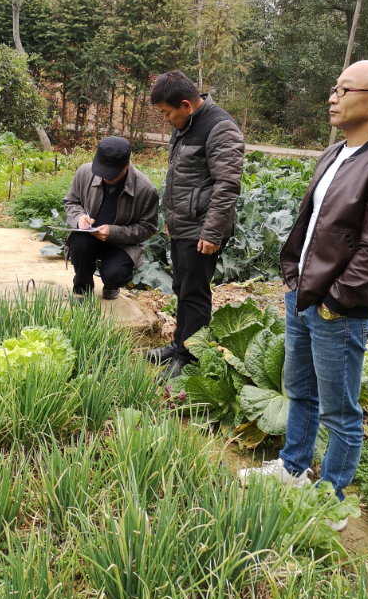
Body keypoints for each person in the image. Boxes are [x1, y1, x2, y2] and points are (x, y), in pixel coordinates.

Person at [240, 60, 368, 531]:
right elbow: (311, 224)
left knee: (340, 410)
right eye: (334, 88)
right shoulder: (334, 153)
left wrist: (335, 301)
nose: (332, 97)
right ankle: (293, 468)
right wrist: (292, 276)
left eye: (344, 89)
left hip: (341, 309)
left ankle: (330, 498)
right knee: (300, 392)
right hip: (303, 295)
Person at [147, 71, 245, 378]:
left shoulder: (220, 127)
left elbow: (227, 184)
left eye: (167, 113)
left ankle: (189, 357)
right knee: (182, 287)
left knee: (194, 292)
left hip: (203, 228)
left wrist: (212, 232)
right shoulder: (185, 125)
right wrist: (171, 217)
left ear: (186, 105)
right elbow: (181, 177)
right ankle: (179, 344)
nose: (166, 119)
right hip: (183, 224)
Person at [63, 136, 159, 303]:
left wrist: (114, 232)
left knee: (116, 275)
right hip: (89, 237)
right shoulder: (84, 173)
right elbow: (71, 202)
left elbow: (148, 228)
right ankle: (82, 289)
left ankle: (111, 285)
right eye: (102, 171)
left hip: (122, 244)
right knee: (78, 243)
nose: (106, 177)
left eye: (111, 174)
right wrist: (79, 218)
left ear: (127, 165)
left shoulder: (146, 190)